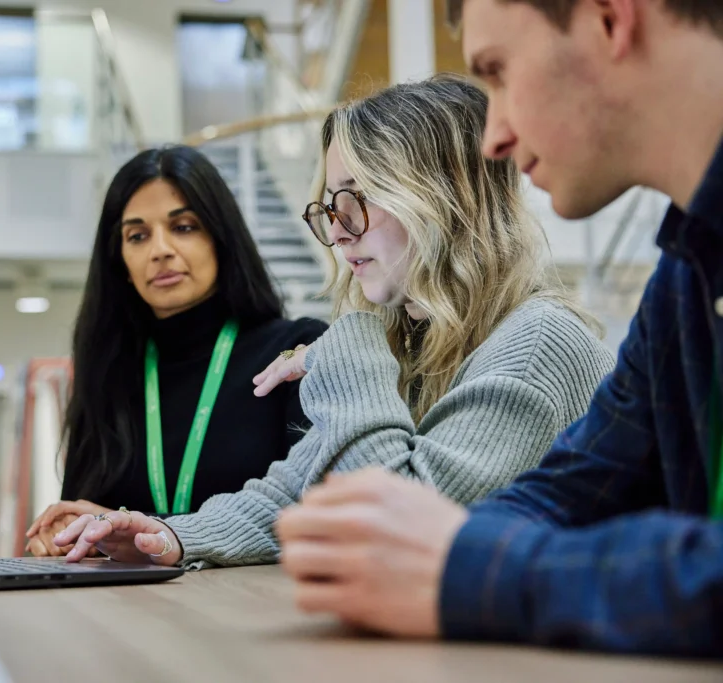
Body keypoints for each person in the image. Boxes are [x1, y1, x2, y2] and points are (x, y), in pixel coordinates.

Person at [275, 0, 723, 657]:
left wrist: (472, 567)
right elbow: (566, 488)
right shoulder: (685, 277)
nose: (493, 140)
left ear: (610, 21)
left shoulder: (546, 332)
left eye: (498, 72)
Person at [49, 76, 615, 569]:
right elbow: (294, 493)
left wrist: (350, 344)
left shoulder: (539, 342)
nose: (339, 231)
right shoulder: (415, 340)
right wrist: (167, 535)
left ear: (443, 200)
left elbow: (391, 532)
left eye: (358, 198)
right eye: (332, 205)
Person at [24, 145, 328, 556]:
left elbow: (316, 512)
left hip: (260, 594)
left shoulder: (295, 352)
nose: (160, 250)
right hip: (129, 597)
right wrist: (67, 535)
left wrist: (153, 533)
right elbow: (87, 519)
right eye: (137, 236)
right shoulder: (108, 372)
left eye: (184, 227)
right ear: (120, 262)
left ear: (221, 239)